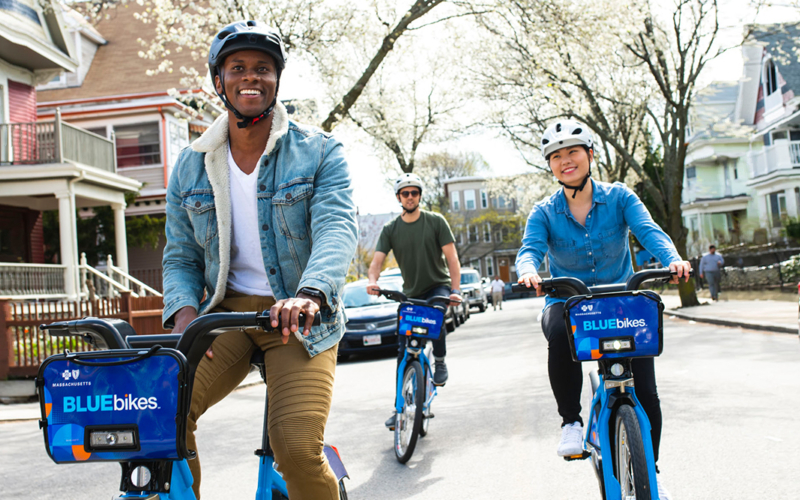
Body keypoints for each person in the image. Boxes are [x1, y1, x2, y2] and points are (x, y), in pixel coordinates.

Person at [161, 20, 357, 500]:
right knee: (161, 418)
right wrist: (185, 318)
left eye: (263, 68)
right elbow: (181, 254)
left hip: (296, 319)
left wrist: (310, 295)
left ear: (277, 79)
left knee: (293, 447)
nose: (251, 77)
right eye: (238, 68)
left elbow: (336, 229)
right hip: (224, 316)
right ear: (219, 80)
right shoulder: (191, 163)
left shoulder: (319, 150)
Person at [515, 119, 691, 500]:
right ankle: (571, 423)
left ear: (590, 155)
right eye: (556, 157)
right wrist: (528, 271)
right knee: (559, 331)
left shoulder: (620, 197)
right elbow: (529, 250)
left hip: (621, 301)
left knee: (646, 390)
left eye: (573, 152)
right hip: (569, 301)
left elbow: (649, 231)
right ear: (551, 166)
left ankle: (649, 466)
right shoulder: (544, 212)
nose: (566, 161)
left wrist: (673, 259)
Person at [366, 173, 462, 428]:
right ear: (399, 197)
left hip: (437, 287)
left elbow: (452, 258)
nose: (410, 197)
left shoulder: (435, 221)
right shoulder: (391, 229)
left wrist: (455, 289)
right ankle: (399, 405)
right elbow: (376, 262)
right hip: (412, 293)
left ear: (420, 196)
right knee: (402, 351)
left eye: (414, 193)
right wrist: (372, 281)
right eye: (405, 193)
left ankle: (439, 361)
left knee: (436, 316)